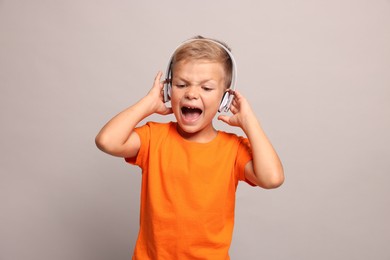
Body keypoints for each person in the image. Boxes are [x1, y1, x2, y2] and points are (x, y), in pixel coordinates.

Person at [95, 35, 284, 260]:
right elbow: (107, 141)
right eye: (181, 85)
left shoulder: (232, 150)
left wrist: (249, 122)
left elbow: (272, 178)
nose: (191, 93)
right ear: (168, 91)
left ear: (224, 99)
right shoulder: (154, 137)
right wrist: (148, 104)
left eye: (206, 88)